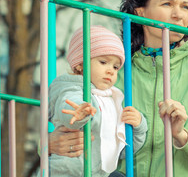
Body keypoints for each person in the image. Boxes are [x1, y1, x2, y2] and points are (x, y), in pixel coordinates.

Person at [47, 0, 188, 177]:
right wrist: (47, 144)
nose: (178, 14)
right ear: (140, 11)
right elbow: (81, 122)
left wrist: (182, 136)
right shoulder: (115, 67)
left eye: (185, 7)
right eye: (167, 4)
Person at [44, 25, 148, 177]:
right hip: (67, 172)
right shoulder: (72, 88)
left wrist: (138, 127)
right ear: (79, 64)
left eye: (115, 66)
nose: (110, 70)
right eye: (103, 62)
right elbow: (68, 108)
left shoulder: (111, 100)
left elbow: (124, 150)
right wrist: (80, 111)